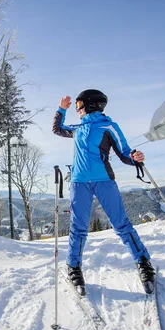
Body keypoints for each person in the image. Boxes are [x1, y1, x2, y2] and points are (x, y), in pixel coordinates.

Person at [52, 89, 155, 295]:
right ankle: (73, 266)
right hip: (79, 183)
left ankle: (143, 262)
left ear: (89, 104)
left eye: (78, 104)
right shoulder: (78, 128)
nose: (77, 109)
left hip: (104, 181)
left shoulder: (109, 126)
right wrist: (60, 110)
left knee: (121, 224)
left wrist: (134, 156)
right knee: (78, 228)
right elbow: (57, 129)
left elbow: (124, 151)